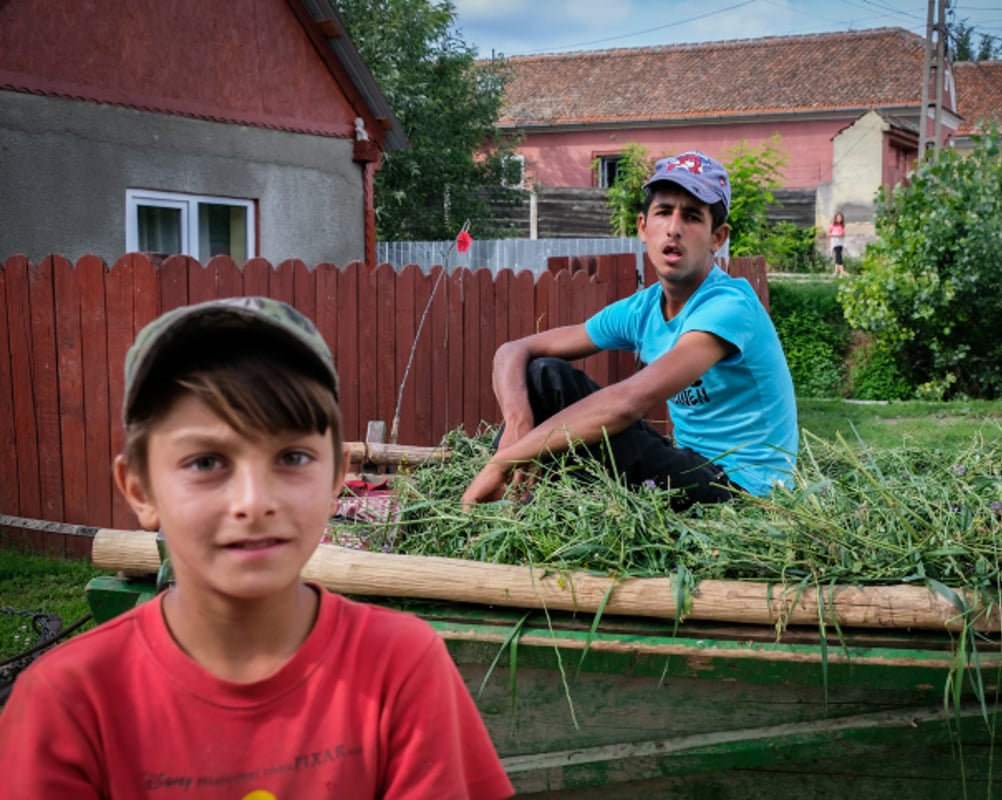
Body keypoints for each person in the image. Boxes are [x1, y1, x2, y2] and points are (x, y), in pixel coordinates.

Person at [0, 297, 514, 800]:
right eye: (206, 462)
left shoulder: (401, 668)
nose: (254, 501)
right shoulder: (67, 705)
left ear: (337, 476)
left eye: (291, 456)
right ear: (139, 488)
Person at [462, 150, 798, 510]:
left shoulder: (730, 306)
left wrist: (505, 458)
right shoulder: (643, 308)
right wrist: (517, 422)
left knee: (588, 418)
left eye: (692, 217)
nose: (674, 228)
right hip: (689, 464)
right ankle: (510, 501)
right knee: (545, 375)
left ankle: (502, 495)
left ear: (718, 237)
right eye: (664, 212)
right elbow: (513, 350)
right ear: (643, 227)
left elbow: (627, 404)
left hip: (742, 490)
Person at [829, 211, 847, 276]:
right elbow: (829, 234)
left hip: (840, 242)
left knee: (838, 256)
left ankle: (836, 272)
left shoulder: (842, 225)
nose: (839, 219)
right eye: (838, 217)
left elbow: (844, 234)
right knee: (838, 255)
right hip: (835, 242)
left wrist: (841, 234)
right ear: (836, 218)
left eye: (840, 218)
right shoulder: (832, 225)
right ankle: (842, 271)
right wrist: (835, 235)